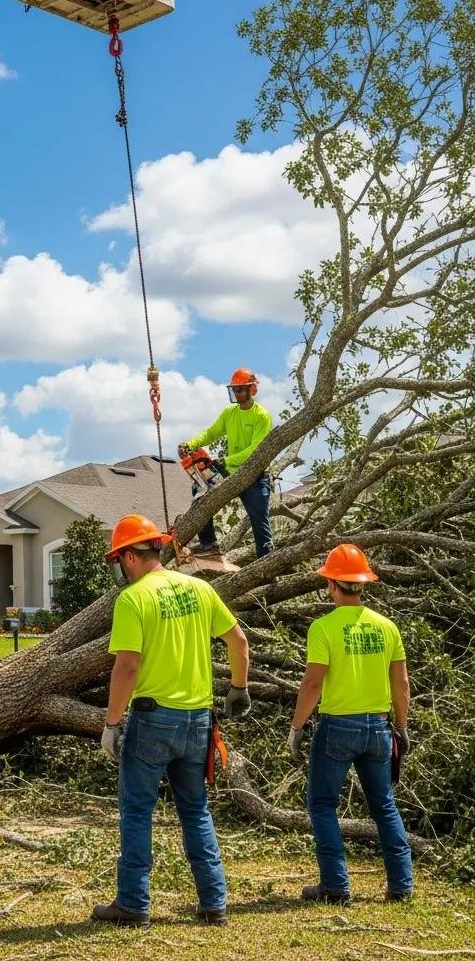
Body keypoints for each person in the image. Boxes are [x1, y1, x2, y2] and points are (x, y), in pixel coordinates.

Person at [93, 514, 251, 929]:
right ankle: (214, 903)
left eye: (118, 560)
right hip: (198, 720)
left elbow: (127, 666)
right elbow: (239, 641)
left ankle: (132, 904)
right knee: (196, 810)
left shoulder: (133, 599)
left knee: (137, 811)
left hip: (152, 720)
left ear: (129, 556)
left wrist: (111, 724)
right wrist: (239, 688)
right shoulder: (200, 589)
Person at [288, 544, 412, 905]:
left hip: (338, 727)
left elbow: (312, 683)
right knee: (384, 805)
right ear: (362, 584)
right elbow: (401, 685)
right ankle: (401, 885)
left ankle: (335, 886)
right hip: (379, 727)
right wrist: (400, 727)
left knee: (323, 804)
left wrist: (297, 727)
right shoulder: (387, 627)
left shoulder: (323, 628)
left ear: (331, 584)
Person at [179, 367, 273, 558]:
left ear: (251, 389)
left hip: (254, 476)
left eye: (240, 389)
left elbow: (255, 450)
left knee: (260, 523)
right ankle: (208, 542)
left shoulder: (261, 416)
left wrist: (227, 459)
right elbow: (211, 433)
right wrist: (189, 444)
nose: (237, 393)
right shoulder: (229, 413)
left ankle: (266, 562)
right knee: (201, 488)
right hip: (230, 471)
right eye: (235, 390)